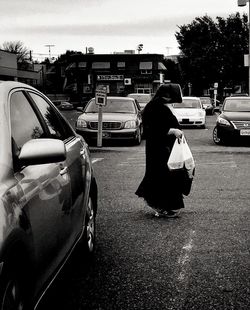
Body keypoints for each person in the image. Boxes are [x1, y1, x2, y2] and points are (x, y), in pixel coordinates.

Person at [135, 83, 184, 218]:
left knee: (160, 175)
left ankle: (163, 205)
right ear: (166, 96)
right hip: (159, 148)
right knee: (161, 175)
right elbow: (151, 130)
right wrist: (172, 130)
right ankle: (162, 205)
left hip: (162, 147)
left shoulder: (157, 106)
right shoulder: (155, 108)